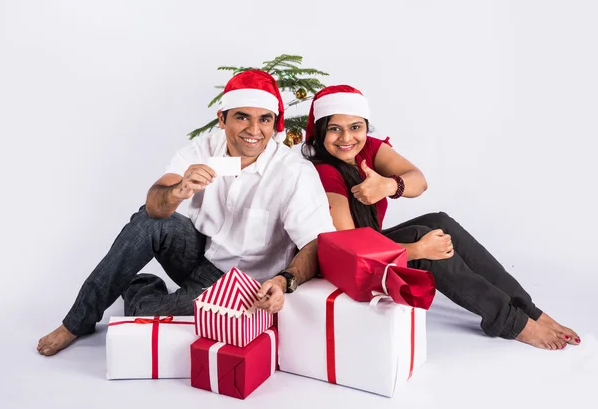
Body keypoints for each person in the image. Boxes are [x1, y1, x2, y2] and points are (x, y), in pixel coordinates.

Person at [37, 70, 336, 356]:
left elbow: (316, 244)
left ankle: (137, 284)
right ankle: (76, 322)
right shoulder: (204, 147)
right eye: (242, 117)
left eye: (264, 120)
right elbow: (154, 204)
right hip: (199, 254)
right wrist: (179, 189)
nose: (254, 130)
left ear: (275, 125)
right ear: (222, 118)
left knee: (146, 313)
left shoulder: (293, 172)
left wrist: (284, 281)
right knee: (148, 222)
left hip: (242, 283)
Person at [302, 85, 580, 350]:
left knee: (439, 221)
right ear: (320, 132)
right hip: (336, 268)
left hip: (367, 252)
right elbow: (349, 251)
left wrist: (388, 185)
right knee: (419, 237)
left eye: (355, 127)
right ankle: (512, 322)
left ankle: (527, 309)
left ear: (366, 127)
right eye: (334, 129)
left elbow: (418, 181)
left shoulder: (369, 149)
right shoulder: (325, 172)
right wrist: (417, 250)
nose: (346, 138)